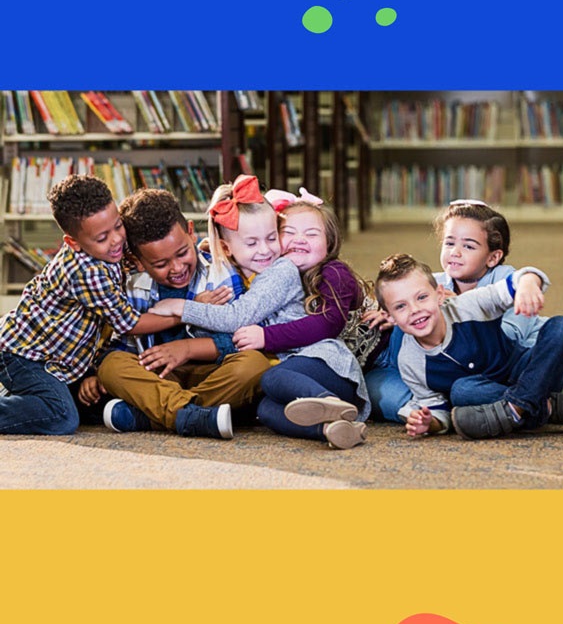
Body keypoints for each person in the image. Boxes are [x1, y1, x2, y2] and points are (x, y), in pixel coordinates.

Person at [151, 175, 371, 449]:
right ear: (227, 248)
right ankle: (332, 428)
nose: (266, 249)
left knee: (270, 377)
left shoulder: (282, 270)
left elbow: (237, 317)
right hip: (299, 371)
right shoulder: (247, 270)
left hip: (324, 363)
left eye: (270, 238)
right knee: (266, 411)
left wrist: (182, 307)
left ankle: (330, 404)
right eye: (286, 234)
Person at [366, 199, 563, 423]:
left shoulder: (484, 290)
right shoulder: (431, 287)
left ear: (493, 257)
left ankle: (523, 408)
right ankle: (544, 406)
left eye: (468, 246)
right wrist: (386, 313)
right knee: (463, 393)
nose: (455, 252)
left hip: (534, 350)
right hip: (497, 380)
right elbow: (401, 294)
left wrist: (525, 285)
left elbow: (512, 322)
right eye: (449, 243)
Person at [0, 175, 168, 435]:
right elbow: (130, 324)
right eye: (102, 238)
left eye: (118, 226)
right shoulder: (87, 272)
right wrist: (182, 314)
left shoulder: (107, 253)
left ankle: (25, 395)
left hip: (60, 360)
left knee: (92, 404)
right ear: (73, 243)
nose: (116, 241)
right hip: (23, 357)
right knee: (62, 417)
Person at [94, 187, 269, 438]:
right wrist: (100, 375)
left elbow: (240, 340)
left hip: (212, 372)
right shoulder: (132, 286)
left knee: (254, 365)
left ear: (190, 231)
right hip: (160, 379)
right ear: (139, 260)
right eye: (161, 264)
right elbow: (123, 344)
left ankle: (155, 415)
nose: (176, 268)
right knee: (112, 366)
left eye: (183, 253)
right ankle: (193, 414)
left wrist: (186, 349)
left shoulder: (220, 274)